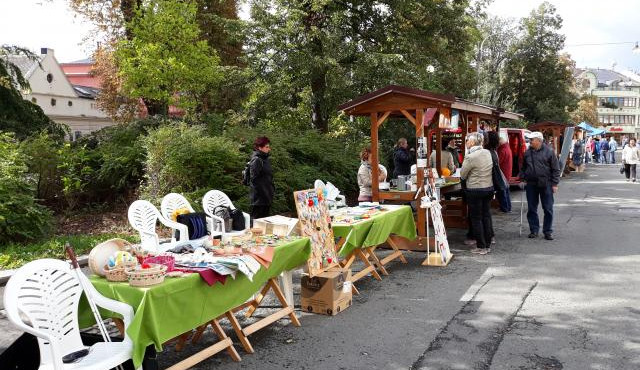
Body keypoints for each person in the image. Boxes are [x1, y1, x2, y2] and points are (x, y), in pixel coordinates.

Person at [519, 132, 560, 240]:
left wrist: (555, 184)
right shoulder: (527, 153)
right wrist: (522, 177)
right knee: (532, 208)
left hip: (546, 183)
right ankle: (534, 230)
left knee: (548, 208)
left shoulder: (549, 152)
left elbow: (556, 169)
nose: (530, 141)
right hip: (531, 184)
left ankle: (548, 231)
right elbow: (523, 167)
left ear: (538, 140)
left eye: (532, 140)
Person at [460, 132, 494, 255]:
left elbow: (463, 174)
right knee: (486, 216)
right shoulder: (487, 153)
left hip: (475, 190)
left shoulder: (471, 156)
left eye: (467, 140)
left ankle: (481, 246)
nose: (466, 143)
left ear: (473, 142)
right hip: (488, 188)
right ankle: (488, 244)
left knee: (476, 218)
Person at [249, 136, 275, 220]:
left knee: (265, 222)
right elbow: (254, 180)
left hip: (266, 197)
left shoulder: (265, 159)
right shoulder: (257, 160)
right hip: (259, 200)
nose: (269, 149)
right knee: (256, 222)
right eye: (266, 147)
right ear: (260, 147)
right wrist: (263, 194)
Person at [496, 135, 513, 212]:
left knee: (503, 192)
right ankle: (508, 207)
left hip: (503, 174)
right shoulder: (507, 148)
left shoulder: (502, 150)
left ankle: (505, 208)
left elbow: (498, 162)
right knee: (506, 191)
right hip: (506, 173)